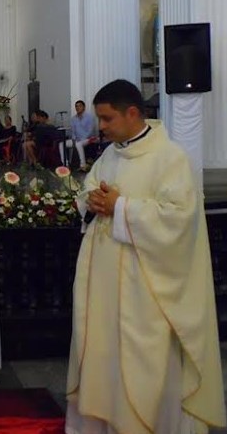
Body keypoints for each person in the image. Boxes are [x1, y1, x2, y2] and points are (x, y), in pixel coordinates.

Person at [66, 79, 225, 434]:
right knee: (104, 358)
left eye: (107, 119)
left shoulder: (170, 158)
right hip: (104, 288)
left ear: (133, 112)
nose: (101, 127)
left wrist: (120, 206)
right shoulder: (111, 154)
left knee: (143, 364)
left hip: (146, 290)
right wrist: (90, 202)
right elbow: (90, 190)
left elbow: (179, 219)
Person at [65, 100, 96, 171]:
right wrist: (73, 139)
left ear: (84, 107)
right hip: (77, 139)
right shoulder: (73, 119)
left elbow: (90, 131)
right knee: (61, 144)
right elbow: (73, 131)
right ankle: (66, 164)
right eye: (76, 106)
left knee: (78, 144)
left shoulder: (89, 117)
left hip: (88, 138)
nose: (77, 107)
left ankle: (83, 165)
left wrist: (82, 139)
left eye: (79, 106)